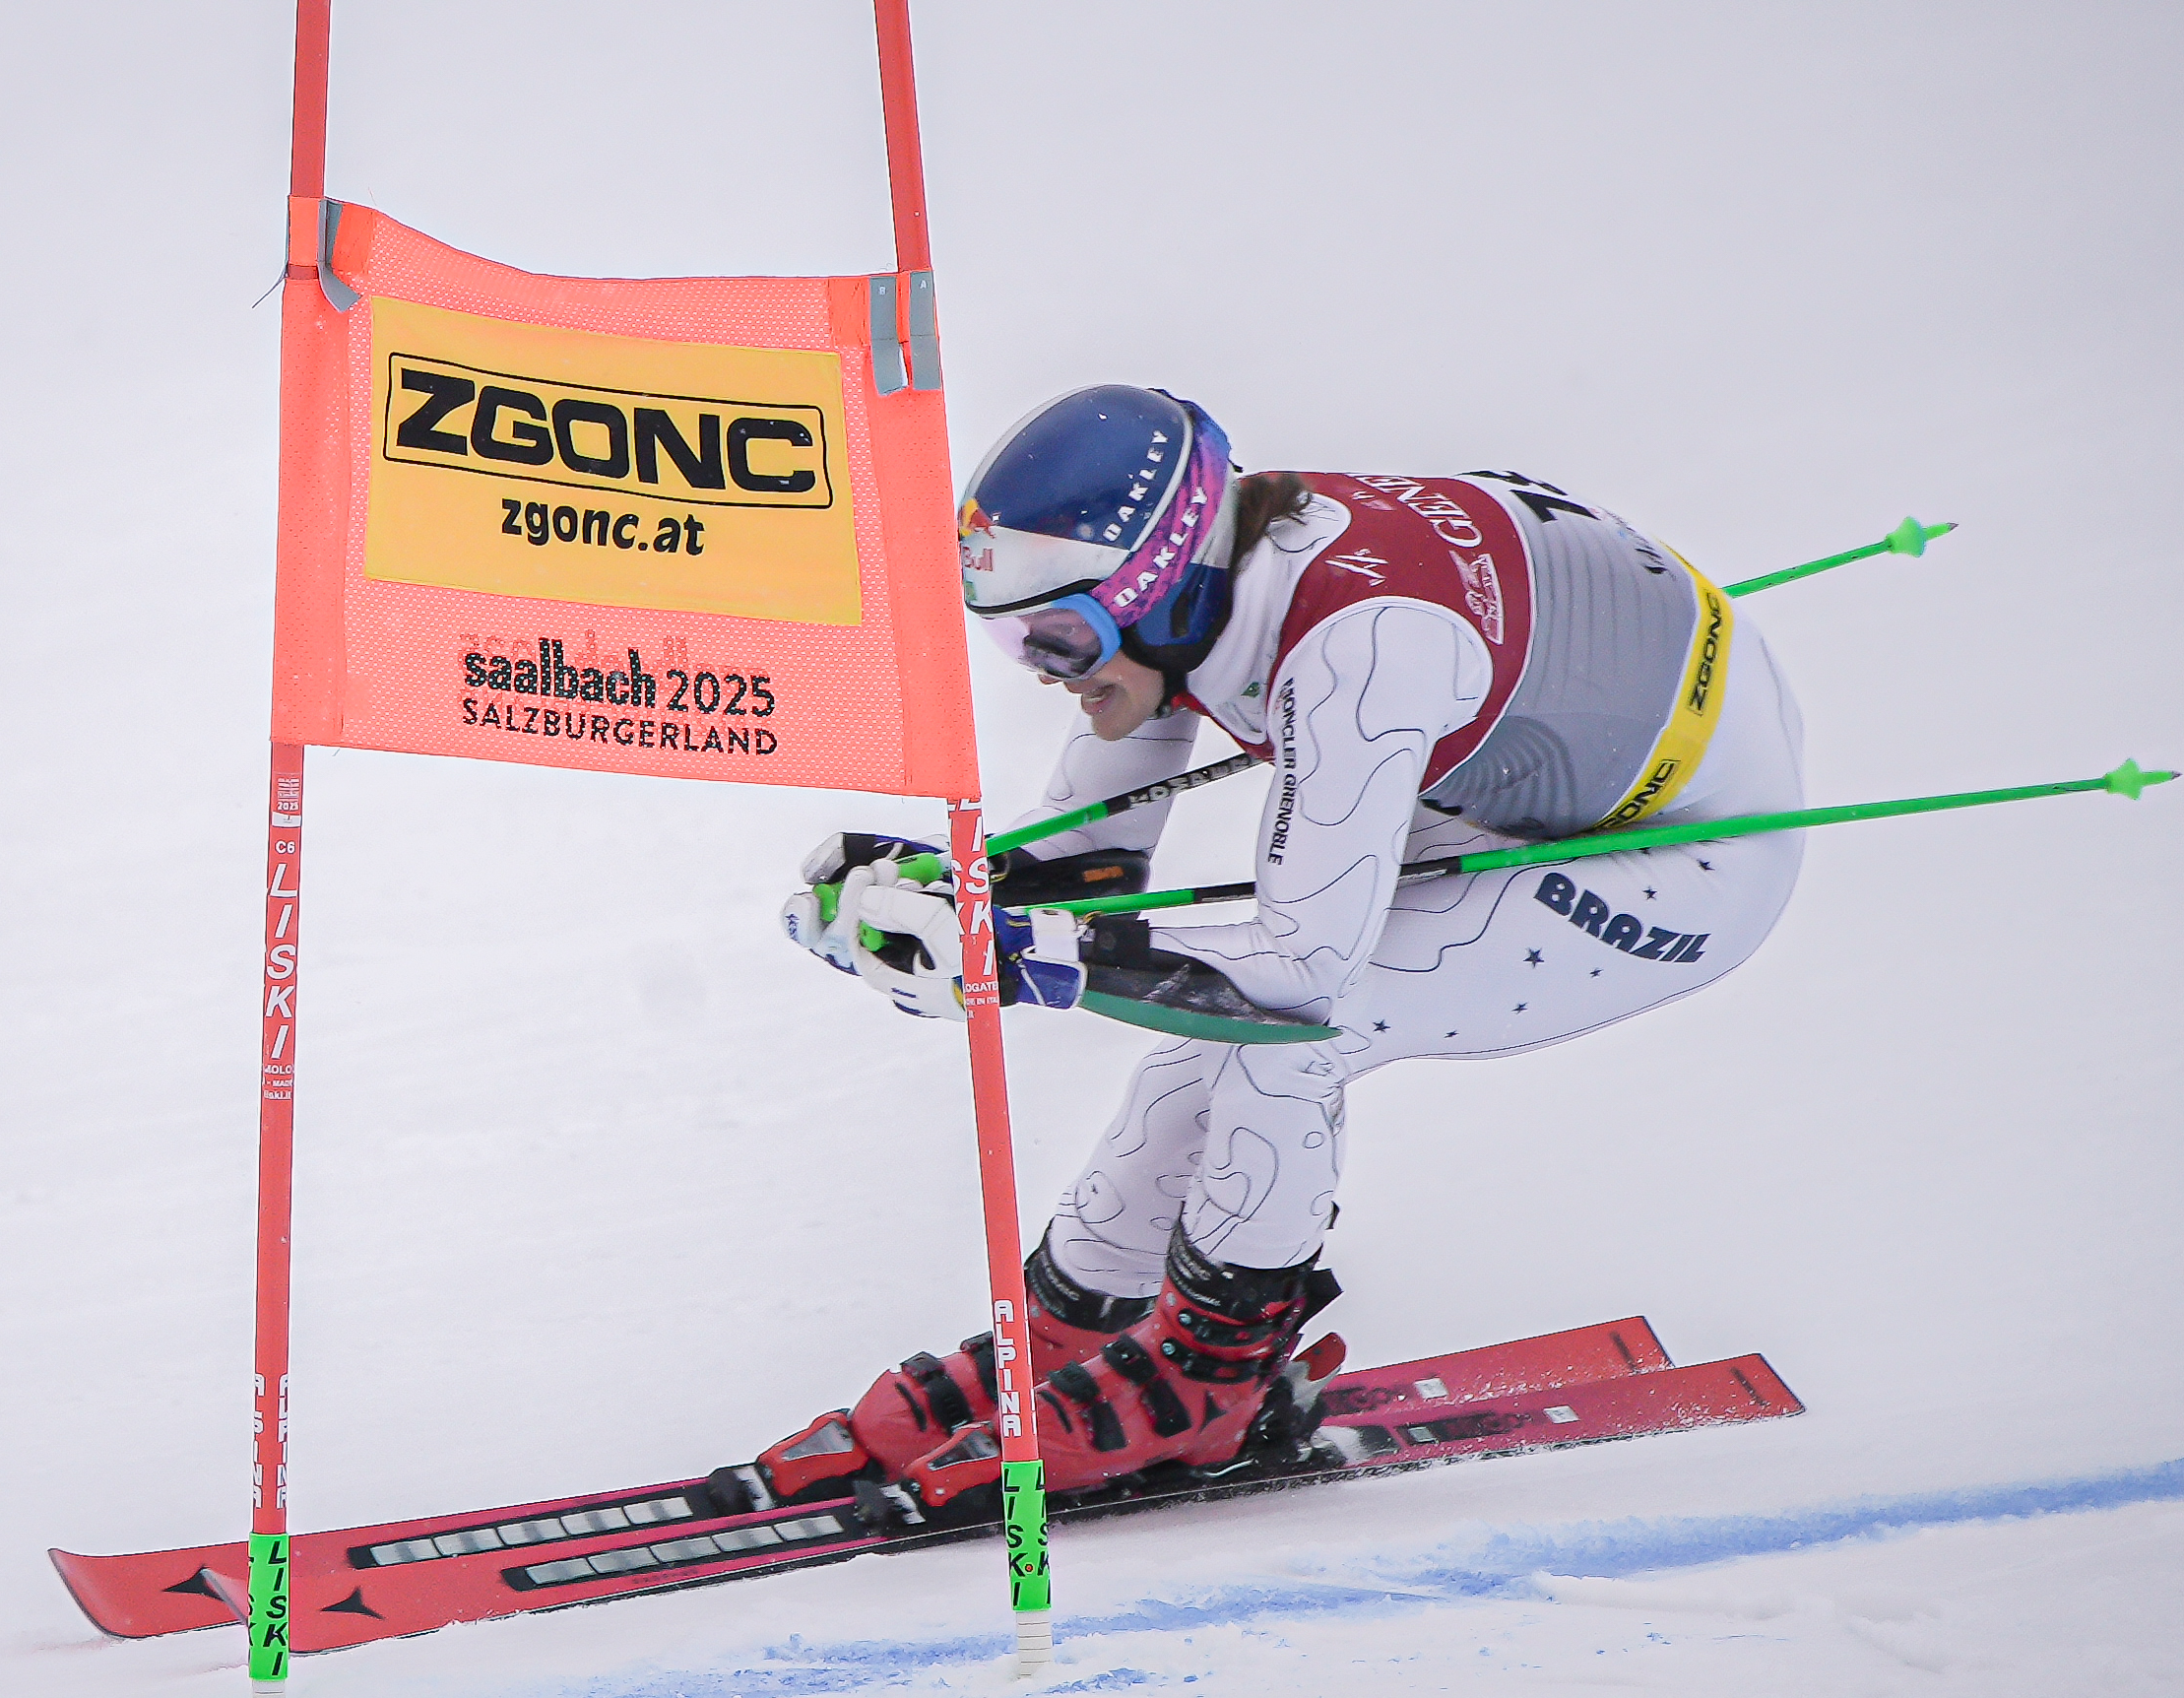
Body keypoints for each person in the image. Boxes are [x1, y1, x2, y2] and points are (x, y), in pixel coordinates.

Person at [760, 384, 1809, 1518]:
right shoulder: (1193, 599)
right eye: (1014, 639)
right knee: (1192, 1048)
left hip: (1680, 852)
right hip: (1527, 765)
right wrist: (937, 901)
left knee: (1284, 1041)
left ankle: (1211, 1383)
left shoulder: (1360, 652)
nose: (1047, 672)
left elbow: (1296, 977)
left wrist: (1018, 952)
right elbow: (1086, 870)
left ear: (1156, 592)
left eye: (1057, 635)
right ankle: (1076, 1327)